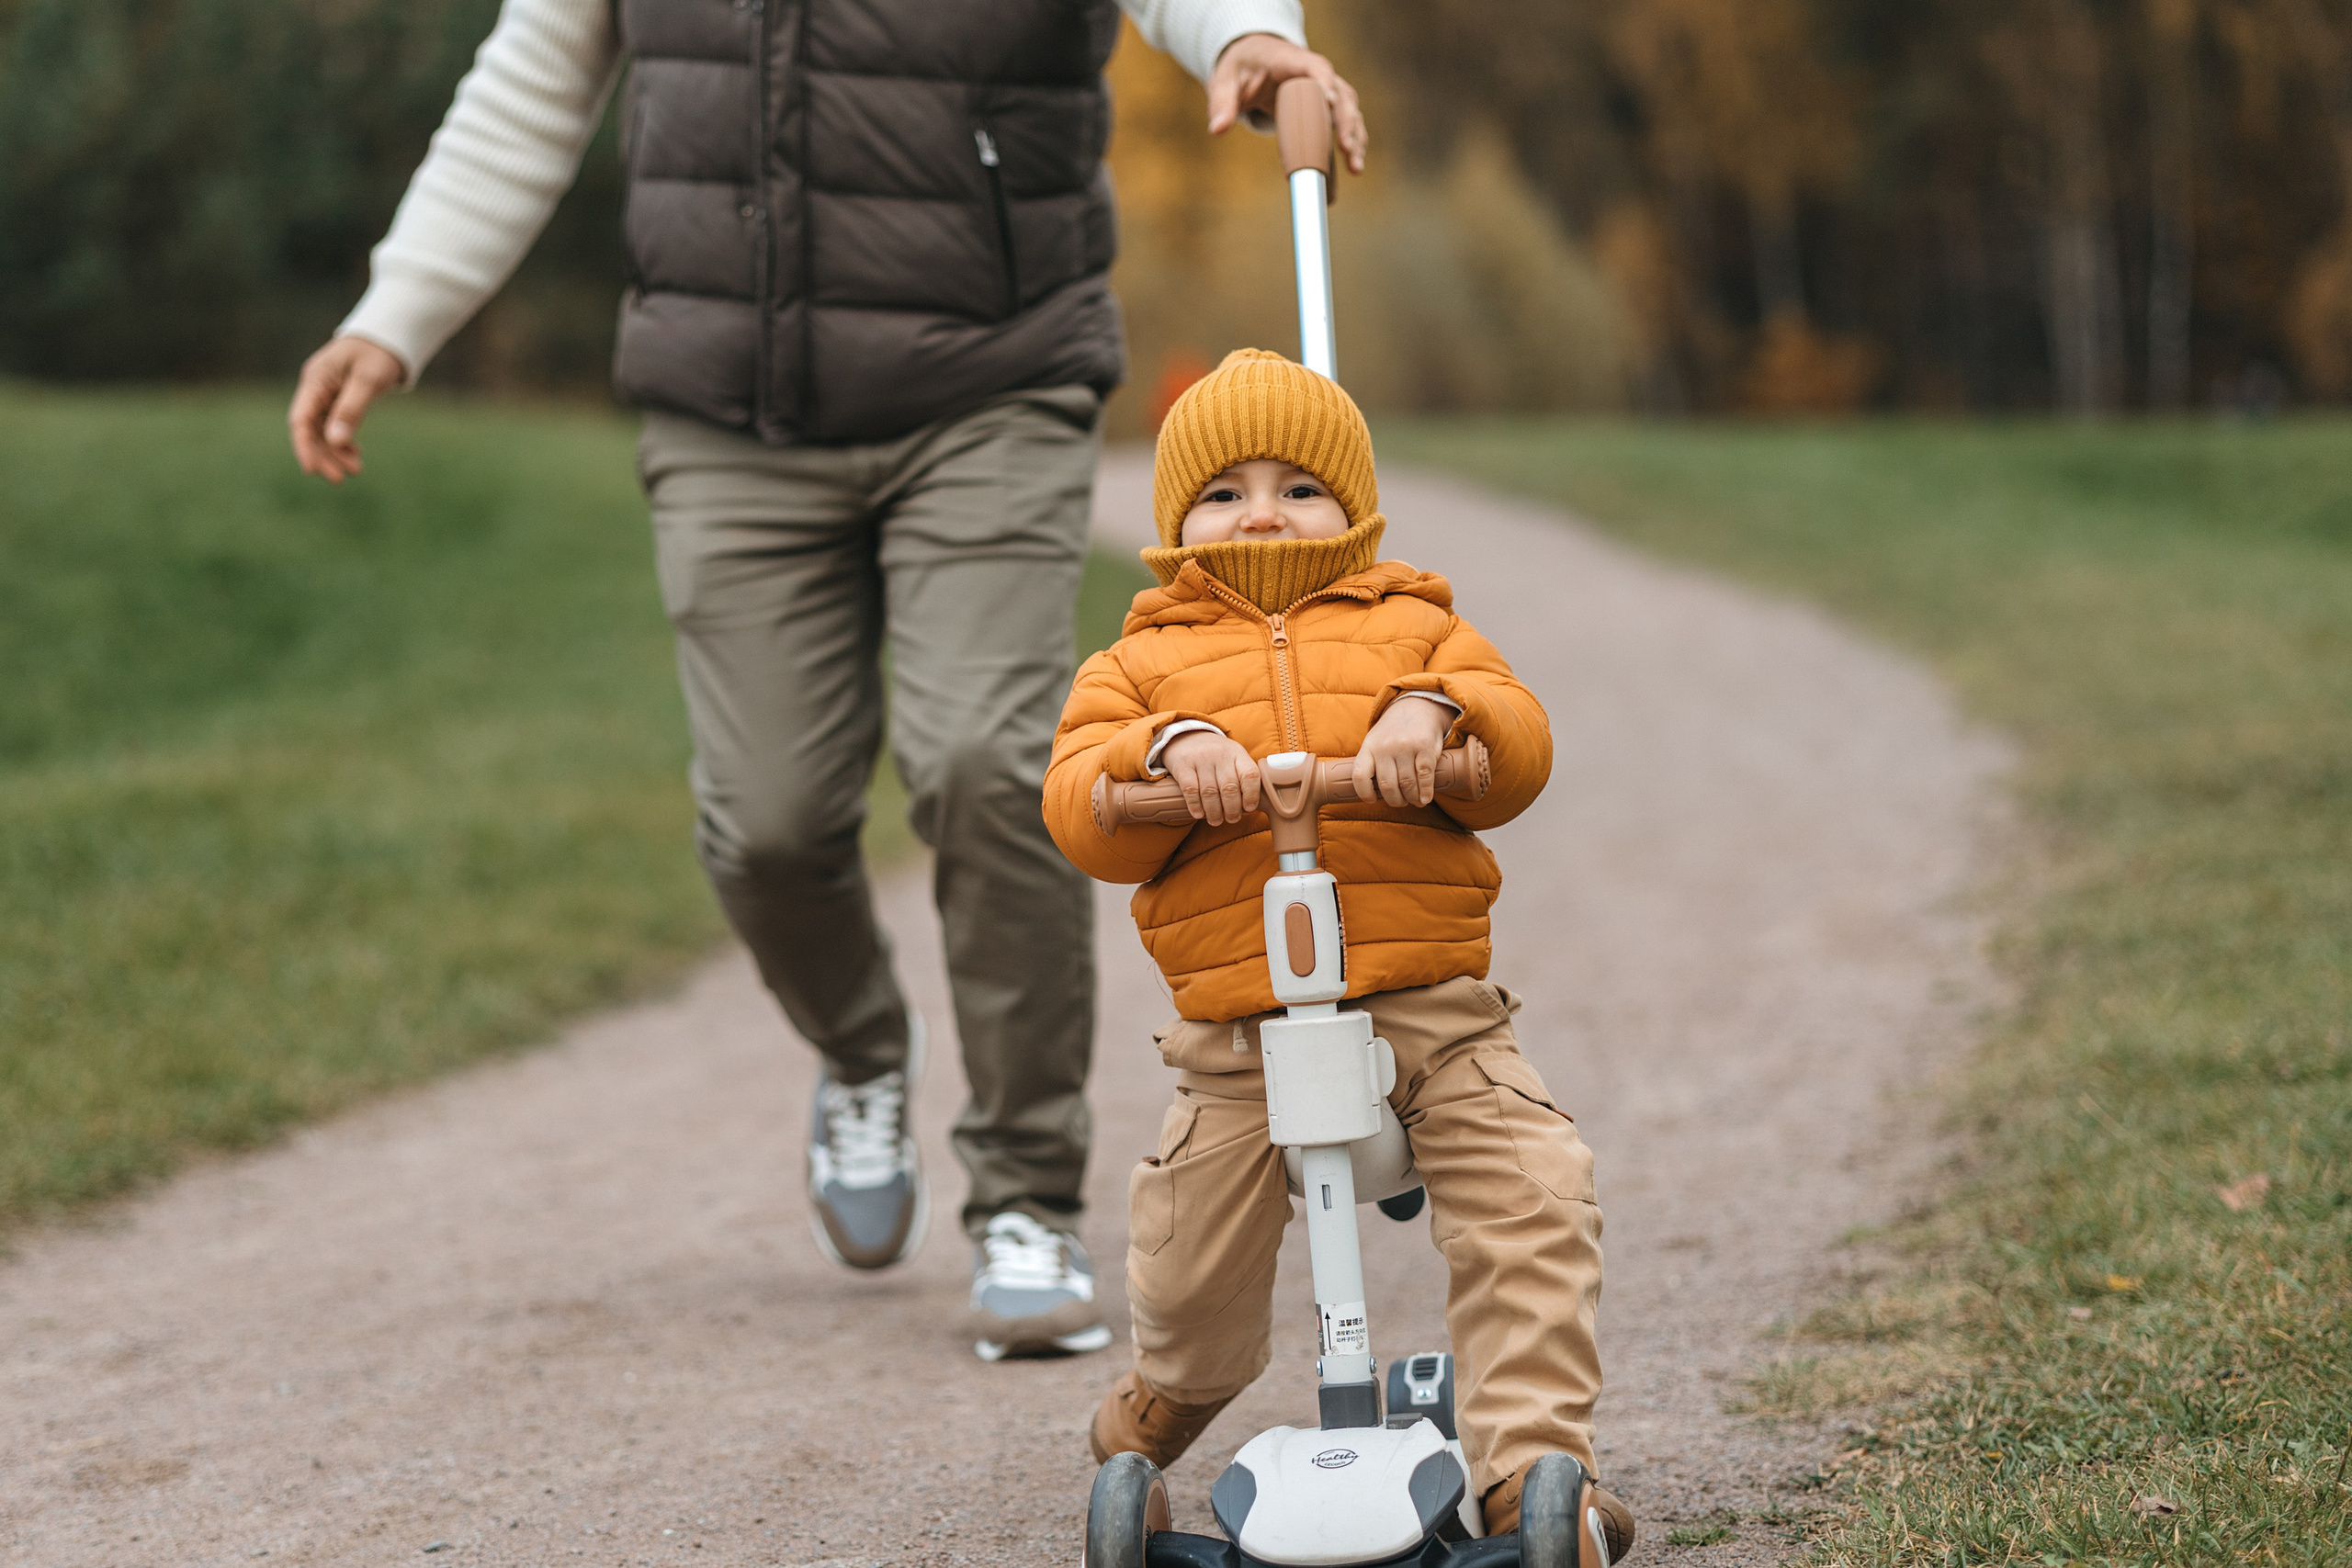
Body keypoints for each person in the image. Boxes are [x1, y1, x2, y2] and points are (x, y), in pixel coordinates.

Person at [286, 2, 1368, 1363]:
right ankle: (863, 1046)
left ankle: (1024, 1198)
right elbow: (528, 84)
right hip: (728, 410)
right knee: (767, 824)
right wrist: (398, 315)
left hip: (990, 378)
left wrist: (1245, 39)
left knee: (990, 764)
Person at [1041, 350, 1635, 1557]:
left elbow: (1517, 738)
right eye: (1225, 492)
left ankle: (1531, 1468)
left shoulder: (1420, 624)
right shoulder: (1137, 665)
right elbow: (1076, 802)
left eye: (1300, 486)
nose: (1262, 510)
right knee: (1190, 1266)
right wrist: (1163, 755)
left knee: (1534, 1200)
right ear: (1177, 524)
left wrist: (1438, 716)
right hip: (1238, 1038)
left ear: (1355, 509)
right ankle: (1169, 1395)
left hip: (1437, 1010)